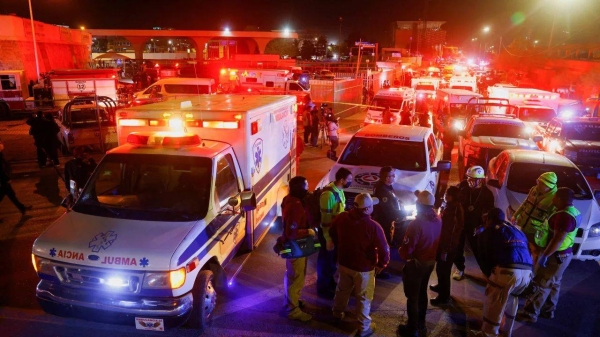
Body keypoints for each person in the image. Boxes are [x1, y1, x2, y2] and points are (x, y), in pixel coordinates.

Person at [517, 187, 581, 324]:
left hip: (555, 256)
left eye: (555, 197)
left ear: (559, 198)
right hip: (563, 256)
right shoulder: (574, 212)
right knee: (554, 283)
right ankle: (548, 310)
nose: (553, 199)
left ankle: (530, 313)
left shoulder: (564, 216)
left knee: (541, 284)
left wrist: (545, 256)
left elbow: (558, 239)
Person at [330, 193, 390, 337]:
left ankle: (337, 314)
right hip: (364, 269)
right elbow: (384, 248)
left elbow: (332, 232)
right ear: (367, 209)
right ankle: (364, 328)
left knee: (342, 290)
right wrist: (382, 263)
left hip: (344, 263)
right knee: (363, 297)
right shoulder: (373, 226)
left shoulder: (342, 217)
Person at [469, 208, 533, 337]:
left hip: (507, 271)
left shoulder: (488, 232)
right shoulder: (516, 230)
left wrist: (489, 276)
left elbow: (483, 258)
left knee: (494, 303)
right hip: (527, 273)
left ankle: (488, 334)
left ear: (488, 219)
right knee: (512, 299)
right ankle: (506, 332)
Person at [397, 190, 442, 337]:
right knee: (422, 293)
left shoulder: (416, 224)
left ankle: (412, 328)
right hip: (430, 262)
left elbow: (407, 248)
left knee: (413, 297)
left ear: (419, 205)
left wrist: (404, 255)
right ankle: (421, 324)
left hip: (417, 264)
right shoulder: (438, 219)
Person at [281, 176, 316, 322]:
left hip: (293, 246)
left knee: (292, 275)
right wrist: (309, 232)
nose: (308, 189)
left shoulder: (288, 199)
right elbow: (292, 232)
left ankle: (292, 301)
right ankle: (293, 309)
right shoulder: (296, 206)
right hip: (296, 246)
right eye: (306, 186)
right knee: (296, 277)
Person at [453, 165, 495, 281]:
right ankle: (460, 268)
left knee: (479, 249)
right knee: (458, 247)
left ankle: (487, 271)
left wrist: (482, 226)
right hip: (461, 222)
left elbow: (489, 213)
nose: (470, 181)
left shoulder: (487, 194)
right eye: (469, 178)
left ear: (480, 180)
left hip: (475, 225)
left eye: (474, 179)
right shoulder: (462, 186)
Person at [317, 167, 352, 299]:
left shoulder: (340, 191)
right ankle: (322, 289)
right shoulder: (328, 195)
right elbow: (326, 220)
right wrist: (328, 239)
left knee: (331, 262)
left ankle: (329, 283)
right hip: (328, 233)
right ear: (341, 180)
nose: (350, 182)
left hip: (335, 232)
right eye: (349, 180)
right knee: (325, 262)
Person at [511, 172, 558, 264]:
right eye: (538, 182)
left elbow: (552, 219)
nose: (538, 185)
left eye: (541, 183)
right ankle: (523, 264)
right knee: (523, 247)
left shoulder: (554, 198)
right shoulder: (534, 189)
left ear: (548, 186)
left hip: (536, 231)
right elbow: (526, 203)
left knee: (535, 252)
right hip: (524, 225)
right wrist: (515, 215)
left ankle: (532, 271)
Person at [429, 186, 464, 306]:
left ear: (451, 196)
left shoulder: (454, 210)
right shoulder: (450, 207)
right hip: (444, 244)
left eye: (447, 194)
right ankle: (441, 287)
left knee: (444, 270)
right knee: (440, 268)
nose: (445, 195)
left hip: (448, 246)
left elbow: (452, 232)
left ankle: (444, 297)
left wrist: (446, 249)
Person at [0, 138, 32, 216]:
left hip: (4, 180)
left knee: (11, 195)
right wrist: (6, 179)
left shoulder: (1, 155)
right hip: (3, 180)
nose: (2, 144)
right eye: (0, 143)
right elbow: (0, 170)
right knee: (7, 194)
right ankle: (22, 208)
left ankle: (22, 208)